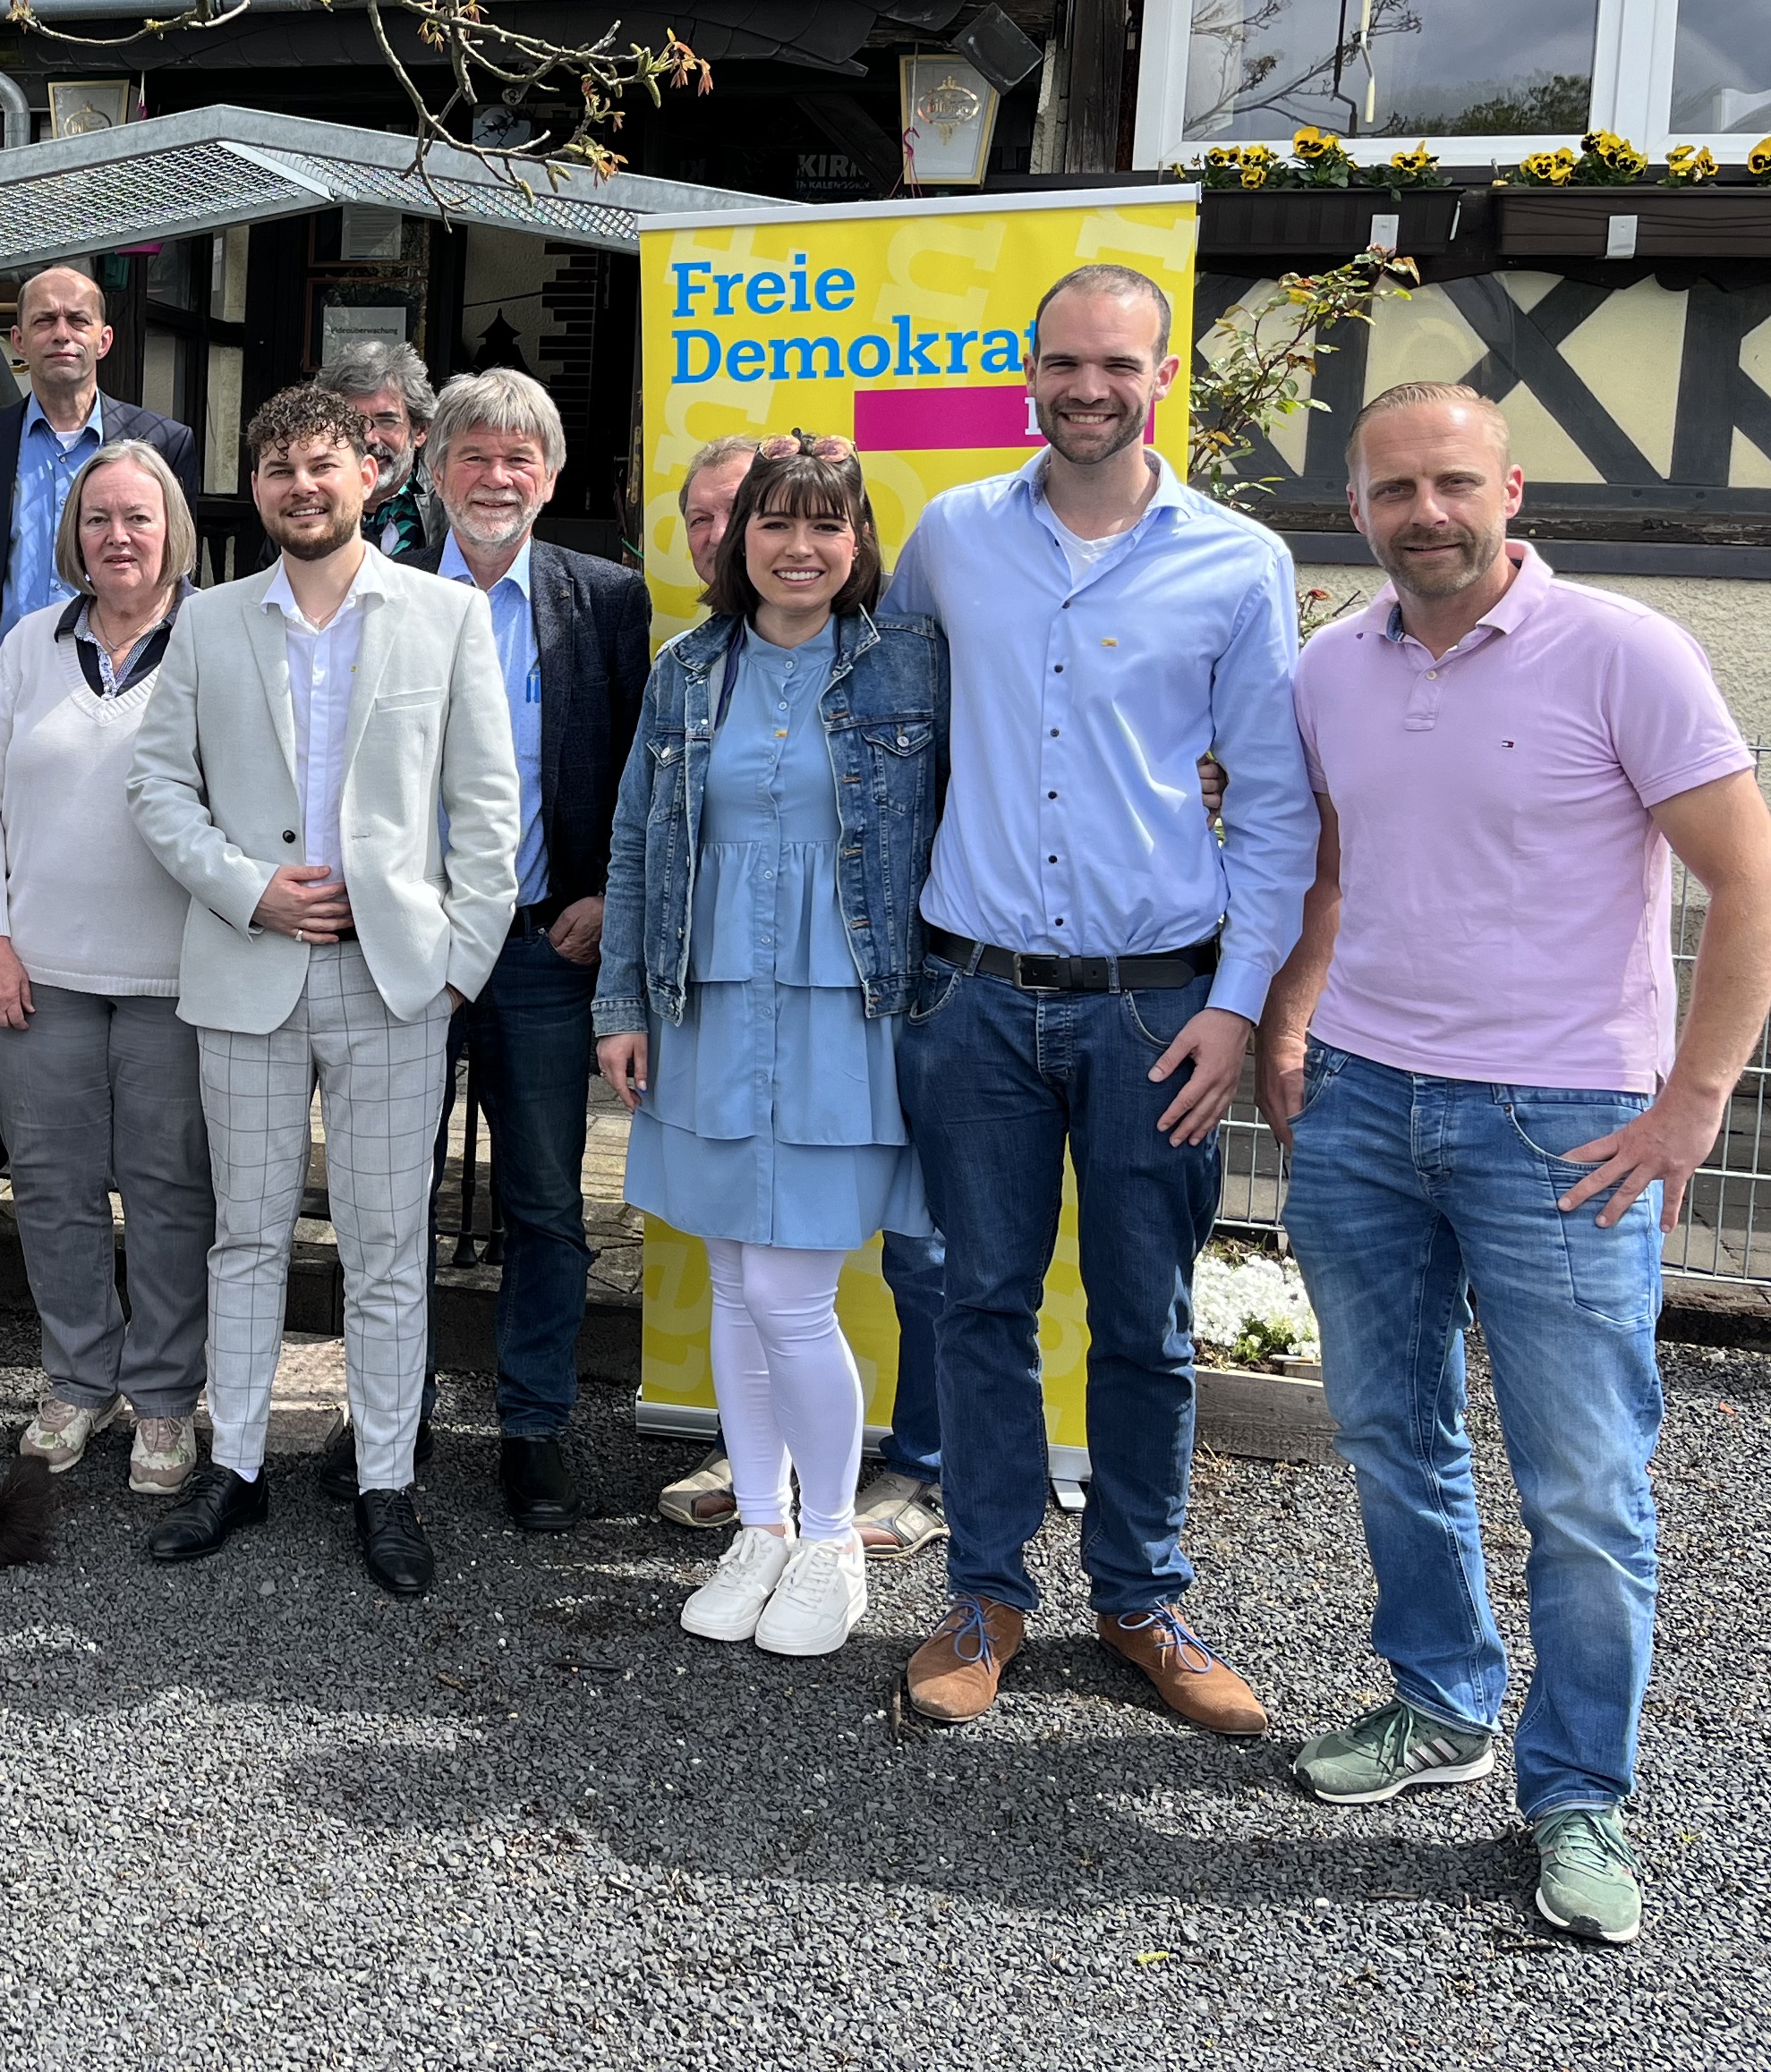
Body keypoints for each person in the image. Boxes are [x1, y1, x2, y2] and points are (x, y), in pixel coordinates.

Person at [1260, 383, 1771, 1946]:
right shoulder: (1330, 666)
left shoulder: (1621, 650)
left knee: (1579, 1480)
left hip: (1561, 1122)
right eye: (1390, 488)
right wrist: (1294, 1018)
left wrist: (1692, 1100)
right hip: (1362, 1102)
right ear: (1354, 508)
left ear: (1509, 486)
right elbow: (1336, 866)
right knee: (1386, 1427)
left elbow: (1754, 883)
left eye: (1449, 481)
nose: (1422, 510)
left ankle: (1576, 1791)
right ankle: (1438, 1702)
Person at [885, 264, 1319, 1734]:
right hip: (975, 1001)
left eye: (1114, 363)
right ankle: (989, 1590)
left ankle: (1139, 1598)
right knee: (980, 1298)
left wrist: (1240, 1003)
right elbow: (893, 728)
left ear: (1159, 377)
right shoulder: (949, 537)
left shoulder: (1238, 561)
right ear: (1031, 370)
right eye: (1062, 361)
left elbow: (1272, 806)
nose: (1086, 386)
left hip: (1158, 1014)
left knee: (1144, 1319)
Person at [129, 383, 521, 1599]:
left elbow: (488, 810)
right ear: (256, 492)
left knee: (389, 1249)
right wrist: (251, 892)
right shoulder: (208, 625)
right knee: (245, 1236)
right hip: (249, 969)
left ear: (373, 476)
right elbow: (158, 792)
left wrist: (458, 966)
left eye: (324, 463)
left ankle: (387, 1481)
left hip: (395, 983)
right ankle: (234, 1464)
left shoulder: (447, 619)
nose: (303, 485)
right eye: (280, 468)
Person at [595, 437, 946, 1660]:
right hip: (707, 1002)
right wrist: (621, 1004)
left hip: (842, 1011)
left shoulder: (909, 665)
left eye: (826, 527)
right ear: (736, 540)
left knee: (794, 1292)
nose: (800, 548)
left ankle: (835, 1539)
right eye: (775, 525)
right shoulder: (690, 669)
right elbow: (637, 843)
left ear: (859, 546)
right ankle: (760, 1524)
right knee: (738, 1291)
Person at [0, 440, 214, 1495]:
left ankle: (160, 1398)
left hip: (180, 979)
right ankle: (74, 1377)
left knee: (168, 1191)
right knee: (53, 1188)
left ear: (172, 531)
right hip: (39, 974)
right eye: (99, 518)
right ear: (75, 535)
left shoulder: (219, 640)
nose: (118, 536)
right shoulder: (27, 646)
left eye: (138, 518)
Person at [421, 369, 651, 1533]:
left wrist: (611, 891)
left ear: (550, 477)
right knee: (386, 1191)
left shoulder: (606, 602)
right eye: (475, 454)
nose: (497, 477)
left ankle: (533, 1426)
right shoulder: (387, 593)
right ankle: (390, 1415)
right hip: (410, 953)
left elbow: (641, 768)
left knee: (550, 1203)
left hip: (542, 947)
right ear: (438, 469)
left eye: (520, 458)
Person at [0, 263, 198, 634]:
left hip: (123, 670)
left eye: (77, 320)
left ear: (103, 340)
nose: (61, 334)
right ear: (18, 340)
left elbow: (176, 569)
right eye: (44, 321)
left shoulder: (165, 444)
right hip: (3, 675)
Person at [319, 335, 437, 563]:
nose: (368, 437)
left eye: (387, 421)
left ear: (419, 430)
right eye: (352, 422)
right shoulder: (309, 499)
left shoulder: (449, 506)